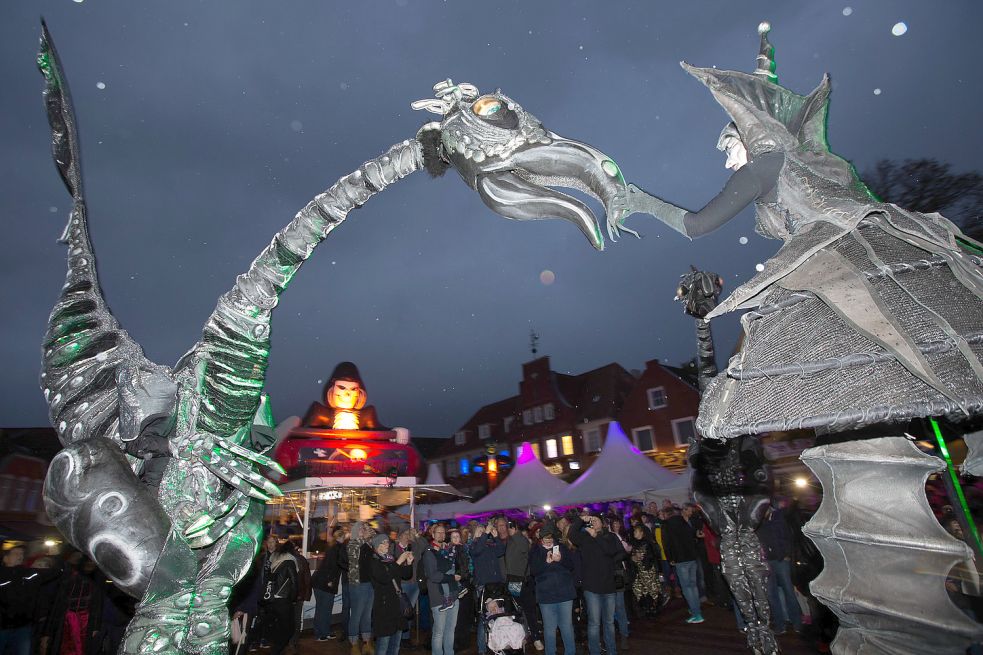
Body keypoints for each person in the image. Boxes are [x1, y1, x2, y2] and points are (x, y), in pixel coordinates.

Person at [568, 512, 622, 655]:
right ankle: (595, 652)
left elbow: (611, 551)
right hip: (591, 587)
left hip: (608, 586)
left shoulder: (609, 537)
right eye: (592, 520)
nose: (594, 522)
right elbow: (571, 535)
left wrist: (596, 536)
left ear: (602, 523)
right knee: (594, 623)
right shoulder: (584, 537)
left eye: (596, 520)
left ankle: (611, 651)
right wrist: (580, 520)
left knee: (609, 623)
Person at [0, 544, 62, 655]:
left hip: (23, 628)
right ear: (5, 558)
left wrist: (56, 556)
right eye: (16, 553)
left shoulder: (29, 574)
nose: (20, 555)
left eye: (22, 553)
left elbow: (56, 571)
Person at [758, 499, 803, 634]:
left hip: (781, 560)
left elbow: (788, 536)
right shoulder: (760, 522)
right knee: (772, 595)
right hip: (767, 561)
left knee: (789, 592)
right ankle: (780, 625)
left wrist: (787, 554)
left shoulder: (779, 517)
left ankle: (797, 623)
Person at [528, 529, 576, 655]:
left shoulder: (562, 547)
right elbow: (533, 571)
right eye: (546, 538)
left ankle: (570, 652)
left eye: (550, 538)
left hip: (565, 593)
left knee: (566, 627)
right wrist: (546, 563)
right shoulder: (535, 550)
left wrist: (561, 560)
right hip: (546, 595)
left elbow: (571, 565)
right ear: (540, 538)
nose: (548, 541)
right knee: (549, 629)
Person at [368, 533, 414, 655]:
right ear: (378, 546)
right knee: (383, 645)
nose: (388, 544)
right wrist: (399, 562)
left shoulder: (390, 558)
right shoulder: (374, 561)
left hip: (397, 606)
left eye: (388, 541)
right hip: (384, 607)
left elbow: (406, 575)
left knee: (395, 645)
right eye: (385, 542)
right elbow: (384, 578)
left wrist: (408, 564)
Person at [470, 517, 507, 655]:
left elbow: (501, 551)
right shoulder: (474, 545)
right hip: (483, 586)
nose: (484, 533)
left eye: (484, 531)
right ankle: (481, 649)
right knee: (484, 618)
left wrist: (496, 537)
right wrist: (484, 534)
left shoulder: (490, 544)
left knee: (498, 615)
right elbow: (477, 551)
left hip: (496, 584)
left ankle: (497, 645)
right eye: (480, 531)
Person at [421, 524, 460, 655]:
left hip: (453, 594)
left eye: (443, 533)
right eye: (438, 533)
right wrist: (452, 577)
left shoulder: (449, 549)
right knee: (439, 632)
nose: (441, 535)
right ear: (433, 534)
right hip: (438, 596)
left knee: (450, 630)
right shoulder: (429, 551)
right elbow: (434, 575)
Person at [662, 505, 704, 623]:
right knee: (693, 585)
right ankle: (695, 609)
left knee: (686, 587)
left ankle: (697, 614)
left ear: (666, 514)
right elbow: (693, 537)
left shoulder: (666, 525)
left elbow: (667, 543)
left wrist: (670, 558)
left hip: (680, 559)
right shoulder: (685, 521)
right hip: (691, 557)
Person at [346, 521, 376, 655]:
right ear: (357, 530)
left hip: (369, 583)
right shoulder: (352, 544)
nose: (365, 530)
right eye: (362, 528)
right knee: (356, 615)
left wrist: (370, 537)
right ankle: (353, 644)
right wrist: (364, 539)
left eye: (365, 528)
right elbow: (354, 558)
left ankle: (366, 642)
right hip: (357, 584)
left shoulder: (368, 544)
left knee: (367, 615)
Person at [264, 541, 299, 655]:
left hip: (273, 599)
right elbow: (294, 583)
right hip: (284, 599)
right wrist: (293, 599)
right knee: (290, 628)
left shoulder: (275, 561)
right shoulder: (290, 562)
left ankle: (276, 648)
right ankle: (276, 650)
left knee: (279, 626)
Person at [313, 528, 345, 641]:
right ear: (341, 537)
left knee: (324, 608)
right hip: (325, 582)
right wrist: (329, 580)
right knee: (324, 608)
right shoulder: (336, 549)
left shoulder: (333, 548)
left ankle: (324, 631)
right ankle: (320, 633)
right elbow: (332, 566)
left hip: (321, 581)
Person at [628, 524, 664, 618]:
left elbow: (654, 556)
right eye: (634, 531)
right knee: (641, 590)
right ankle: (647, 608)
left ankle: (654, 608)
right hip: (638, 572)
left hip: (648, 571)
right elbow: (630, 557)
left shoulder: (648, 543)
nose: (634, 533)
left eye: (636, 531)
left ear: (642, 533)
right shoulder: (633, 543)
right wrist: (633, 558)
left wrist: (643, 558)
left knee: (652, 590)